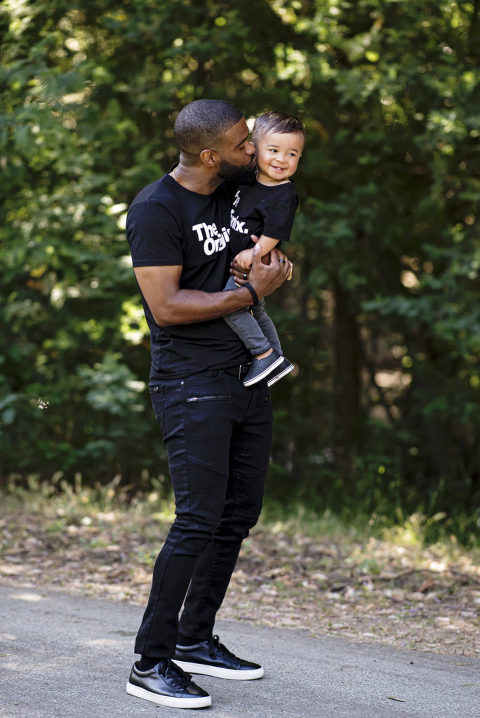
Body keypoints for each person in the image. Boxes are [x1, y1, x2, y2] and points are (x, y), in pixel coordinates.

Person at [124, 99, 291, 709]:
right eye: (245, 144)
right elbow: (166, 306)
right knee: (196, 519)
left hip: (246, 375)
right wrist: (251, 293)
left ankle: (195, 639)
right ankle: (150, 661)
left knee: (238, 512)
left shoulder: (235, 180)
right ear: (210, 154)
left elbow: (283, 159)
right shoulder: (155, 209)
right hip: (190, 380)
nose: (256, 152)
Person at [224, 111, 304, 387]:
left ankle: (264, 353)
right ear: (254, 149)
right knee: (257, 311)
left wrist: (253, 254)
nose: (282, 159)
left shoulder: (283, 193)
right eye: (273, 150)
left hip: (254, 263)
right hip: (245, 259)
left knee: (229, 305)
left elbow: (275, 232)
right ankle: (278, 359)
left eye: (292, 154)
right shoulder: (250, 179)